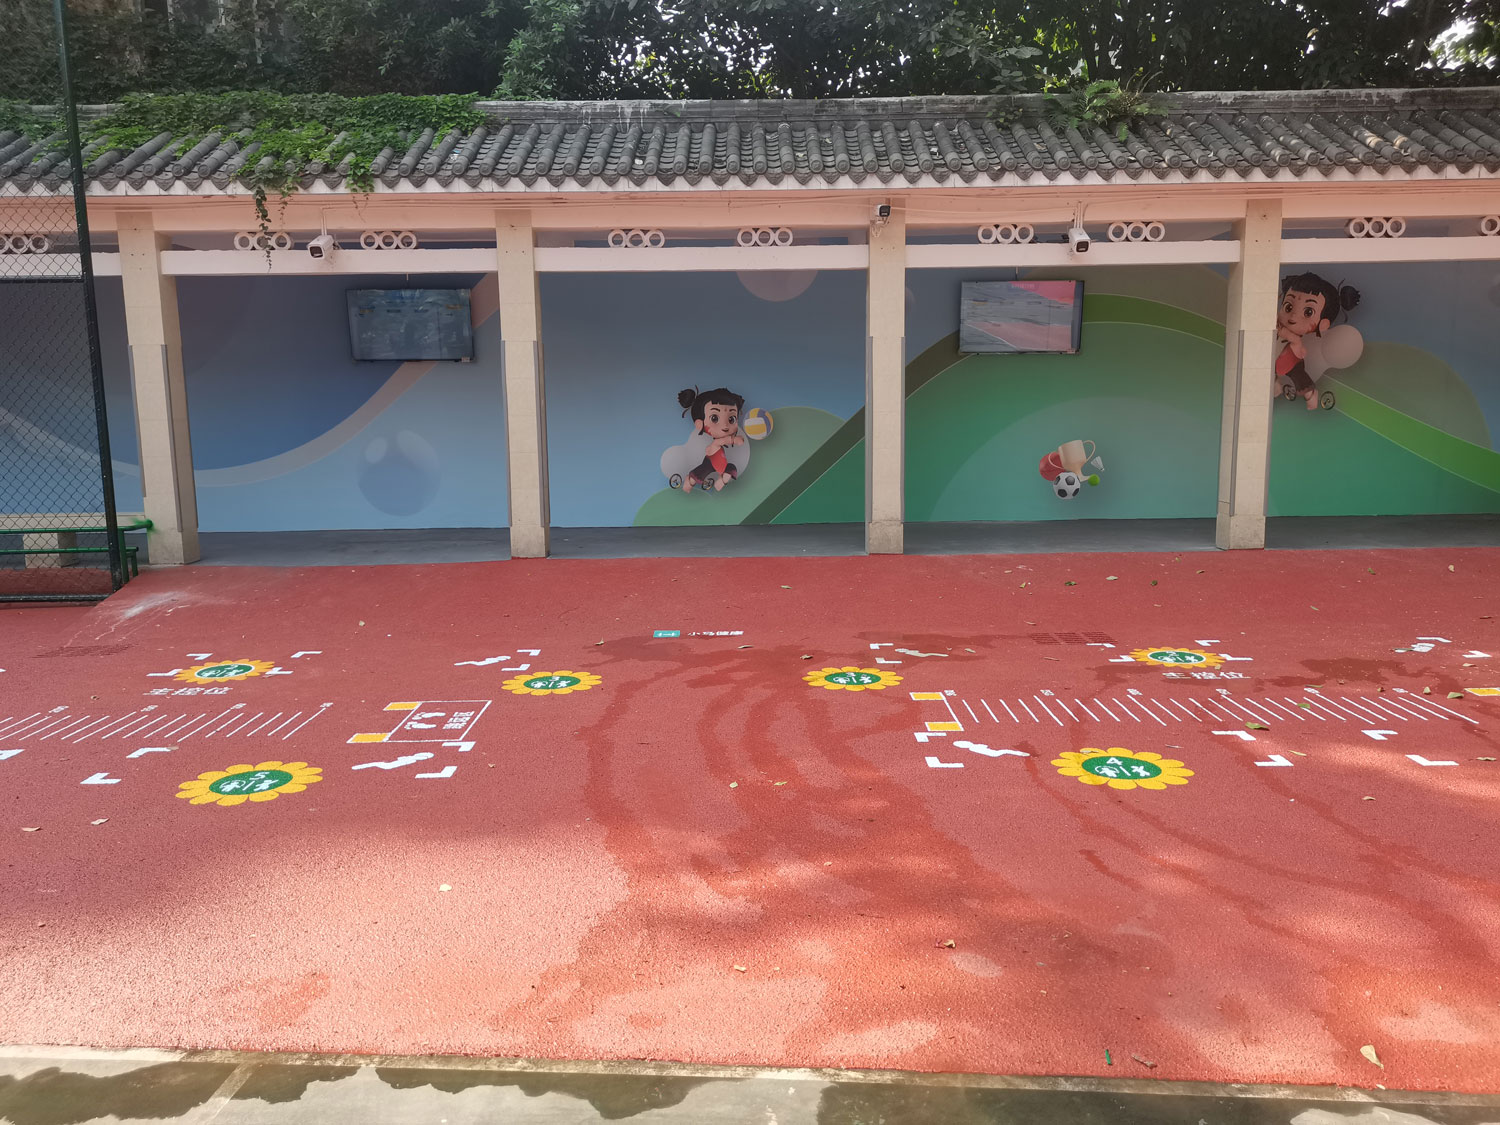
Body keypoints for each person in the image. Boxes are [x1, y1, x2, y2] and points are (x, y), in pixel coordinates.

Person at [1276, 273, 1361, 411]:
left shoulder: (1288, 334)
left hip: (1290, 360)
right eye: (1288, 307)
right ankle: (1280, 386)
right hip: (1283, 360)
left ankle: (1310, 394)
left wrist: (1292, 340)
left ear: (1323, 324)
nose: (1293, 316)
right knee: (1290, 375)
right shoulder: (1279, 328)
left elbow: (1292, 339)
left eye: (1308, 312)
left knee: (1299, 377)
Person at [677, 387, 746, 492]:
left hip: (720, 464)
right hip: (711, 462)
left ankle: (721, 481)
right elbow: (723, 441)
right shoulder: (717, 442)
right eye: (714, 418)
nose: (725, 425)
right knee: (700, 473)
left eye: (731, 419)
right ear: (700, 424)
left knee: (731, 469)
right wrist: (734, 440)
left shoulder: (718, 442)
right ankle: (689, 482)